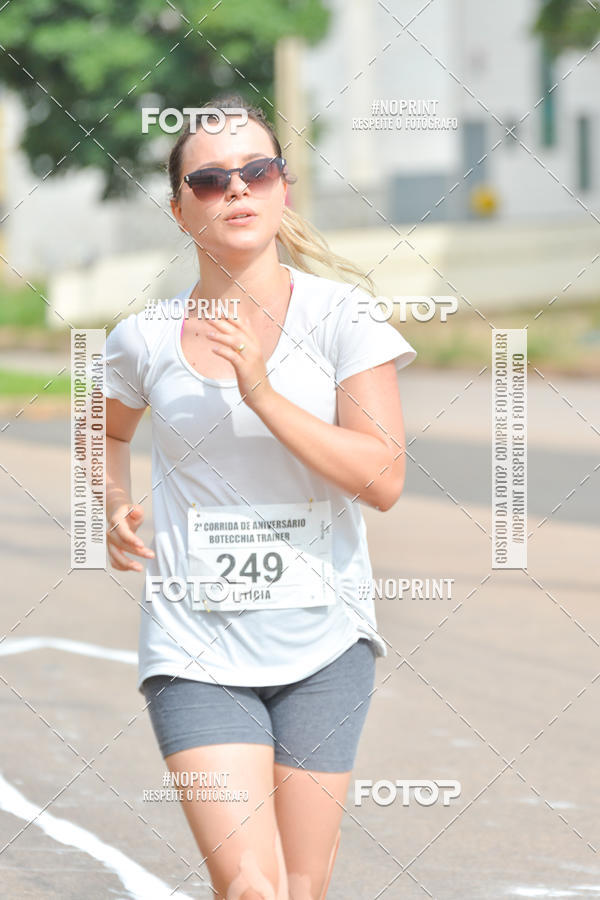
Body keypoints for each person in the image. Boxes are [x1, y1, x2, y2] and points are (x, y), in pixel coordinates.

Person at [103, 93, 416, 900]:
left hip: (325, 645)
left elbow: (382, 479)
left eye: (258, 170)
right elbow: (102, 429)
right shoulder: (144, 336)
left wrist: (263, 394)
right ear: (181, 211)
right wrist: (109, 501)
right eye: (210, 179)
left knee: (302, 888)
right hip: (193, 647)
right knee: (250, 886)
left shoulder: (344, 317)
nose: (236, 188)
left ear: (283, 188)